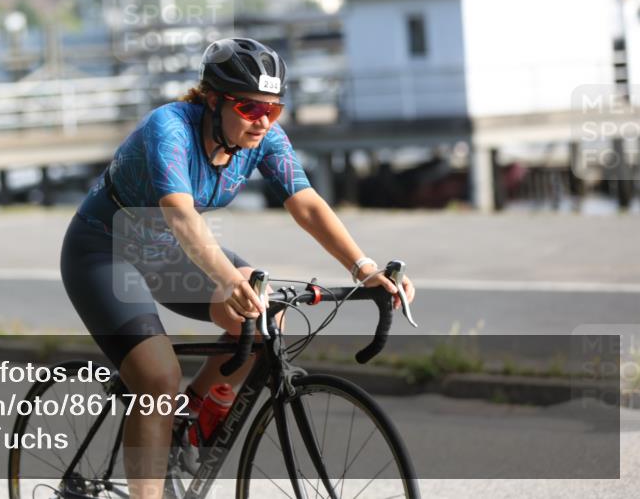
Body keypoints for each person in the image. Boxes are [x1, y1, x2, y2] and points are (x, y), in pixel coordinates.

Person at [60, 37, 416, 498]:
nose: (263, 121)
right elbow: (180, 214)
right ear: (213, 99)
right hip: (104, 253)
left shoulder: (263, 139)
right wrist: (228, 280)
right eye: (250, 109)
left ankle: (192, 413)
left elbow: (306, 204)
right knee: (157, 377)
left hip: (171, 253)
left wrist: (364, 269)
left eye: (274, 110)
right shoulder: (167, 128)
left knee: (266, 310)